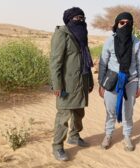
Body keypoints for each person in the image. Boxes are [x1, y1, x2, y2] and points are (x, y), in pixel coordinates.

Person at [50, 7, 94, 161]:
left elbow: (86, 61)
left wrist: (90, 80)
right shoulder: (62, 34)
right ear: (69, 19)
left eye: (82, 18)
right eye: (77, 18)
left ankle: (74, 136)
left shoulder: (82, 36)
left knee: (79, 113)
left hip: (81, 81)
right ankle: (57, 146)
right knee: (63, 116)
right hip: (67, 84)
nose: (80, 21)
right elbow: (55, 62)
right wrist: (57, 85)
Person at [98, 12, 140, 151]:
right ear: (116, 24)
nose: (125, 25)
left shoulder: (136, 42)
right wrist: (101, 83)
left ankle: (127, 136)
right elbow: (103, 63)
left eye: (128, 23)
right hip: (112, 81)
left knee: (128, 111)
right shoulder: (109, 41)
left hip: (131, 80)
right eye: (122, 22)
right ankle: (108, 134)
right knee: (110, 110)